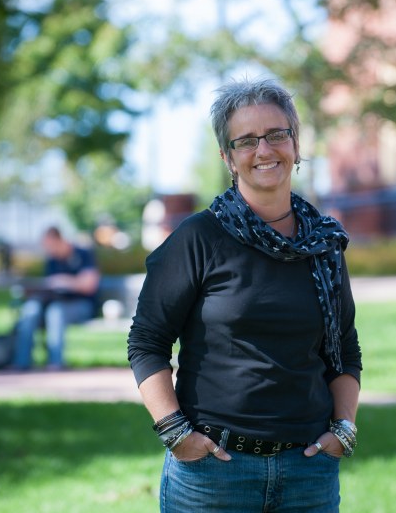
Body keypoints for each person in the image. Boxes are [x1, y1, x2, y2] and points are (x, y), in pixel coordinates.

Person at [127, 78, 362, 513]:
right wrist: (175, 433)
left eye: (276, 134)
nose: (264, 150)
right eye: (246, 141)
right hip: (213, 474)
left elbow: (344, 347)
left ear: (295, 142)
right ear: (228, 157)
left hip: (308, 472)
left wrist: (344, 427)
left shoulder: (325, 244)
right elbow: (147, 342)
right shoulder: (198, 238)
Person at [12, 226, 100, 370]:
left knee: (55, 312)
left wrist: (65, 281)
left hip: (81, 305)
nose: (49, 250)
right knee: (30, 310)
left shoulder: (83, 255)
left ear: (59, 240)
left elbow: (90, 285)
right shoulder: (52, 261)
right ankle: (21, 363)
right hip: (54, 303)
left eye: (50, 245)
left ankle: (55, 364)